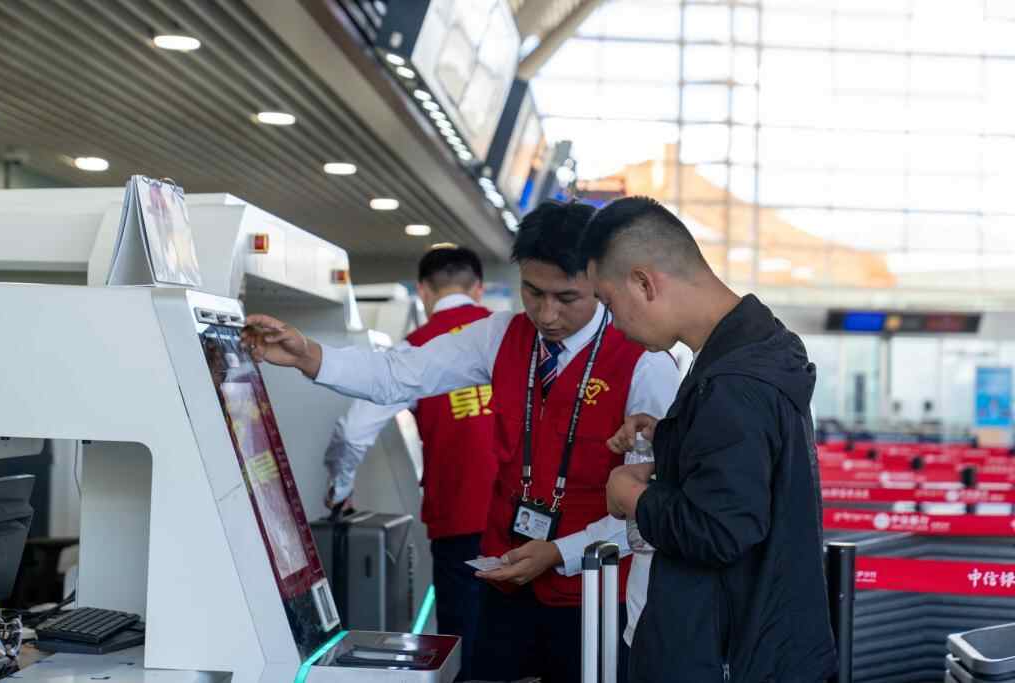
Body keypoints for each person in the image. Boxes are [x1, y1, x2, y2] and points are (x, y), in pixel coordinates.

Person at [242, 200, 680, 683]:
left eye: (566, 298)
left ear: (600, 280)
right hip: (506, 575)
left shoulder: (643, 361)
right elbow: (399, 374)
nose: (546, 313)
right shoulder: (500, 336)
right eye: (533, 292)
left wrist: (561, 551)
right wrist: (309, 355)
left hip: (595, 590)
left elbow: (651, 506)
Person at [581, 196, 837, 683]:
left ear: (644, 282)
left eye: (609, 304)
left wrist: (631, 495)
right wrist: (672, 440)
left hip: (729, 653)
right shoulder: (756, 346)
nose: (613, 323)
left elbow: (719, 531)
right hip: (766, 640)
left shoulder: (732, 383)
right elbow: (752, 472)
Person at [324, 244, 494, 680]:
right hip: (529, 522)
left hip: (459, 521)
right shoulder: (510, 339)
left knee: (465, 645)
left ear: (423, 291)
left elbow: (354, 429)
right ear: (479, 289)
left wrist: (340, 489)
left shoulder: (416, 348)